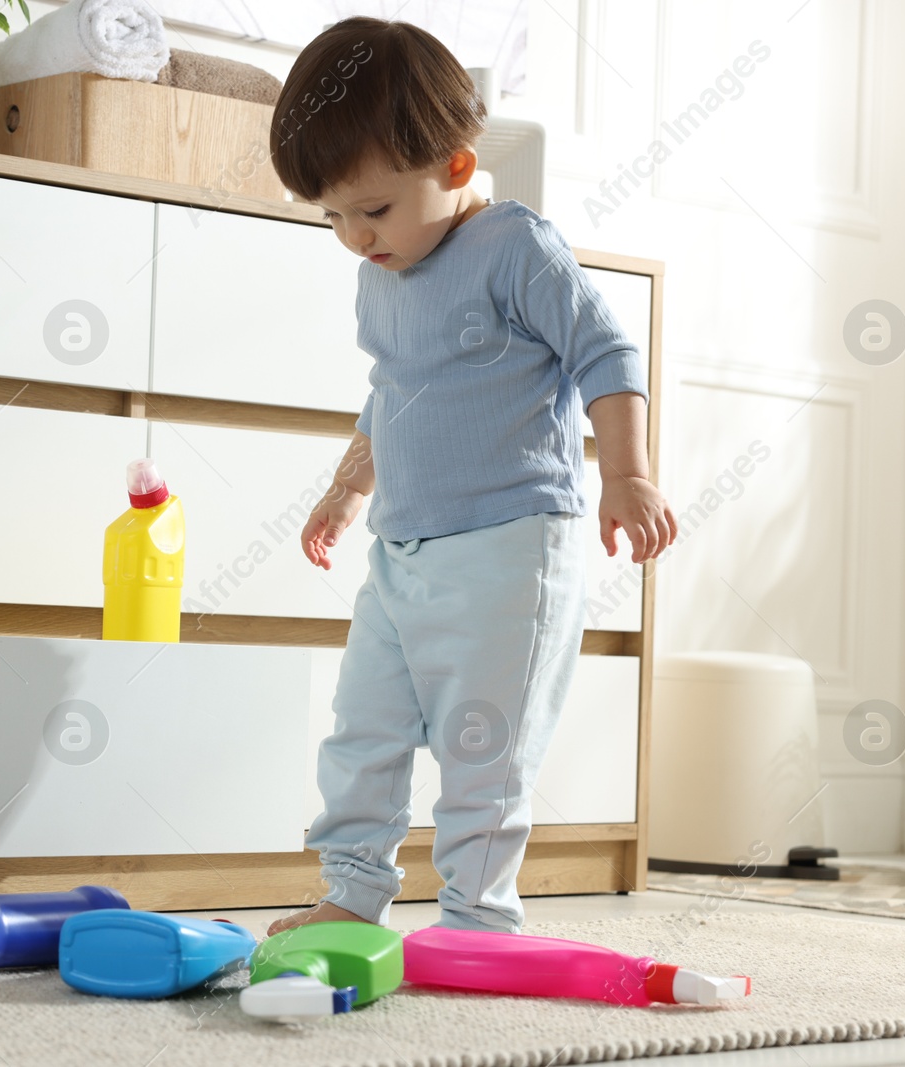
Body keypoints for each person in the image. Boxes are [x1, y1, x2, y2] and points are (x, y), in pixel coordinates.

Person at [265, 16, 678, 936]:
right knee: (362, 728)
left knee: (483, 746)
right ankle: (353, 893)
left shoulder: (515, 248)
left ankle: (476, 915)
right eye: (330, 214)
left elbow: (607, 351)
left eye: (371, 209)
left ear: (455, 167)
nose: (352, 235)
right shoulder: (382, 270)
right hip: (402, 552)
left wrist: (628, 475)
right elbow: (391, 391)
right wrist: (348, 486)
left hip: (510, 549)